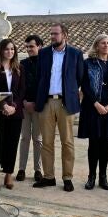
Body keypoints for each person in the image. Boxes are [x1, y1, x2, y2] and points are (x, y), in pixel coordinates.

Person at [33, 23, 84, 192]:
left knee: (67, 142)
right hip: (46, 103)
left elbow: (80, 78)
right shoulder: (44, 53)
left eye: (55, 34)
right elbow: (40, 76)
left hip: (66, 103)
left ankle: (67, 178)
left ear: (65, 35)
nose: (52, 37)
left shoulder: (76, 54)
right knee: (46, 142)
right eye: (51, 34)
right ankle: (49, 177)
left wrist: (76, 97)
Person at [78, 34, 108, 191]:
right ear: (97, 45)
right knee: (94, 144)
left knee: (106, 144)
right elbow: (84, 85)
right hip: (93, 108)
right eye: (103, 43)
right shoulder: (88, 63)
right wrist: (96, 103)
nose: (107, 45)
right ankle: (91, 176)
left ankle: (103, 177)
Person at [0, 39, 26, 190]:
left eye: (12, 49)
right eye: (6, 49)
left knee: (12, 144)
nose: (10, 52)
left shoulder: (19, 68)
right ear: (1, 51)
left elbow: (21, 91)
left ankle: (8, 174)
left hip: (15, 112)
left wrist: (13, 106)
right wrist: (3, 105)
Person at [16, 34, 43, 183]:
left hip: (40, 107)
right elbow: (20, 86)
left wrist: (37, 103)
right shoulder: (22, 64)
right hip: (25, 106)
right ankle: (21, 169)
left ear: (39, 46)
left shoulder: (46, 63)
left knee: (38, 139)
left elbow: (45, 86)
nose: (28, 49)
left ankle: (38, 170)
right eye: (26, 47)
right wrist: (24, 101)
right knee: (25, 138)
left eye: (31, 46)